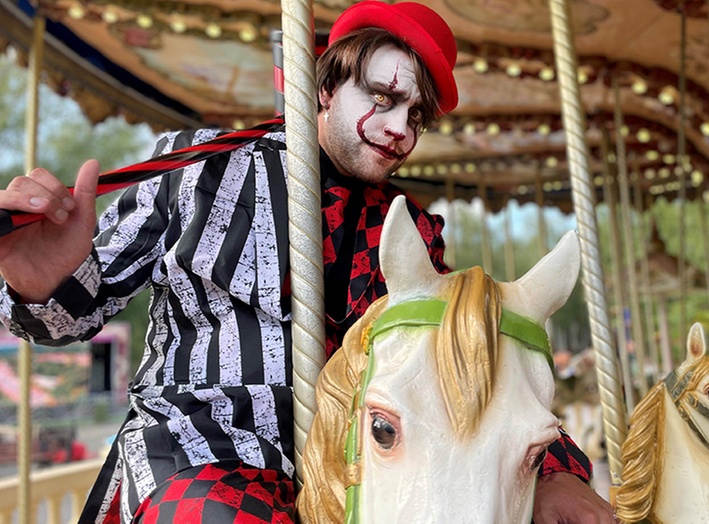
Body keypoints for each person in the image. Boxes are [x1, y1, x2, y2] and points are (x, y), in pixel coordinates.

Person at [0, 2, 615, 523]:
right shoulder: (199, 167)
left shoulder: (407, 229)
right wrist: (41, 278)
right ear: (324, 87)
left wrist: (553, 468)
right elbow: (67, 320)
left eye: (417, 115)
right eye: (384, 96)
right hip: (197, 452)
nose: (401, 128)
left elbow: (460, 370)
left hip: (337, 477)